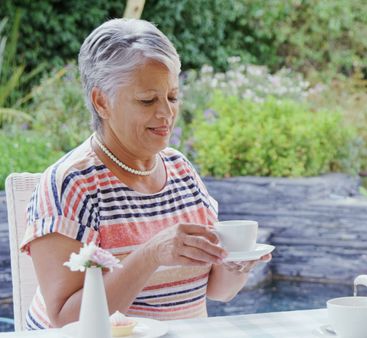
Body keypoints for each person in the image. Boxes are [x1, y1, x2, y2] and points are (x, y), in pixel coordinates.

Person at [19, 18, 270, 330]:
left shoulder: (180, 170)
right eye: (147, 100)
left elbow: (217, 291)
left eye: (172, 97)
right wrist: (152, 253)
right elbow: (65, 319)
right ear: (101, 102)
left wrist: (238, 263)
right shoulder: (72, 184)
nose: (166, 113)